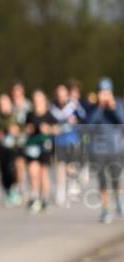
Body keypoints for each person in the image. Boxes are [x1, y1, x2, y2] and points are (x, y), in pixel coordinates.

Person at [84, 78, 123, 223]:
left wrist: (113, 108)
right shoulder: (93, 107)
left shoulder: (117, 104)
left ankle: (119, 200)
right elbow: (88, 126)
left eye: (107, 91)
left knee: (116, 178)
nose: (105, 94)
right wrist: (99, 107)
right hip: (97, 150)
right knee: (102, 181)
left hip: (115, 149)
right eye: (102, 91)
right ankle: (106, 209)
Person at [23, 89, 58, 213]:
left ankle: (44, 198)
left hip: (45, 145)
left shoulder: (49, 115)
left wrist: (48, 129)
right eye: (35, 100)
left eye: (39, 100)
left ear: (44, 101)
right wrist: (29, 129)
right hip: (32, 146)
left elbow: (56, 129)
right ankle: (34, 197)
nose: (37, 102)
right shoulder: (30, 115)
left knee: (43, 173)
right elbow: (25, 129)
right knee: (33, 172)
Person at [50, 82, 85, 206]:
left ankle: (72, 186)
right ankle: (60, 191)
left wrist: (76, 121)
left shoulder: (74, 106)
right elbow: (49, 122)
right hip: (59, 141)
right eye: (59, 95)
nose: (61, 98)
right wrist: (52, 128)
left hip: (72, 140)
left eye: (63, 95)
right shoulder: (52, 108)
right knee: (60, 166)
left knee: (71, 166)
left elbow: (84, 118)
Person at [0, 93, 21, 207]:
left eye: (5, 103)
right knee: (4, 172)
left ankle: (15, 189)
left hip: (14, 148)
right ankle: (8, 191)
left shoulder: (16, 116)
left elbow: (23, 128)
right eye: (1, 104)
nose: (3, 106)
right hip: (1, 149)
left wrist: (16, 131)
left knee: (13, 168)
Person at [10, 80, 32, 199]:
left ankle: (31, 186)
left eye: (18, 91)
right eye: (14, 91)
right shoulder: (11, 106)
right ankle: (21, 187)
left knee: (29, 165)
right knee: (18, 163)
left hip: (28, 139)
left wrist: (25, 129)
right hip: (16, 141)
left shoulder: (28, 105)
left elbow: (32, 120)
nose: (16, 94)